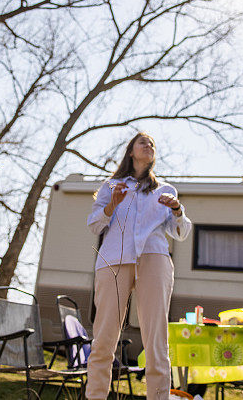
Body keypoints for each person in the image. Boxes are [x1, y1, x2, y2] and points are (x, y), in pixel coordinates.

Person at [85, 132, 191, 400]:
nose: (148, 146)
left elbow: (180, 232)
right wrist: (112, 205)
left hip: (154, 258)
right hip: (114, 260)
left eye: (152, 144)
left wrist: (178, 210)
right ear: (131, 151)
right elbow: (94, 224)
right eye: (143, 142)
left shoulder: (165, 190)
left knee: (156, 340)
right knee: (104, 339)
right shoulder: (112, 186)